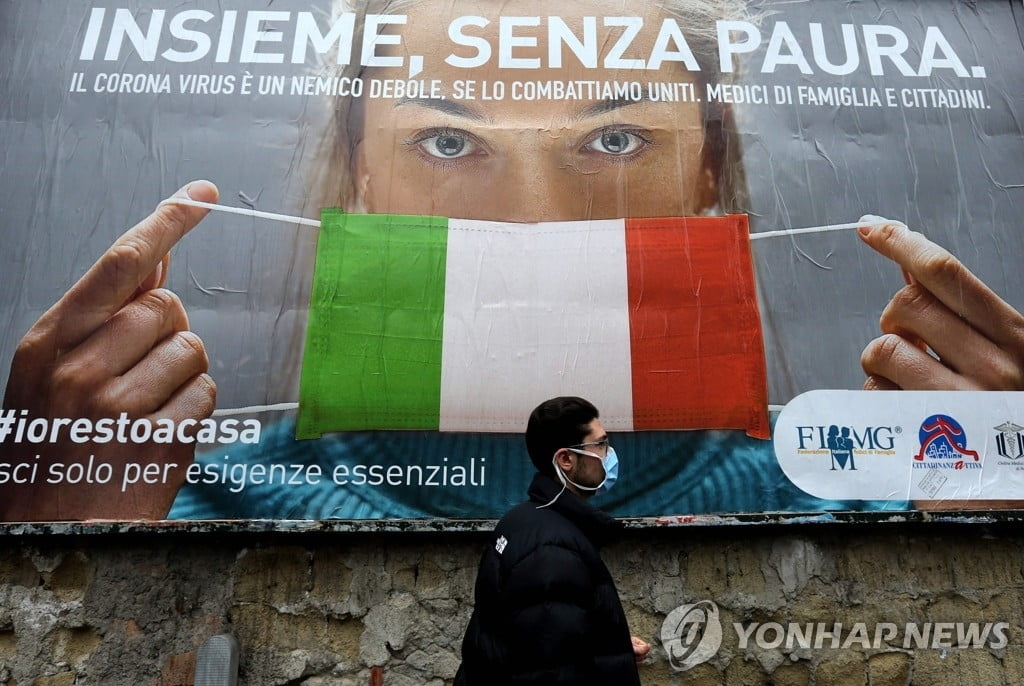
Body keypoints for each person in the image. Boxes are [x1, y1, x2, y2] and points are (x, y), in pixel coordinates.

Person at [1, 0, 1022, 520]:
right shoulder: (172, 505)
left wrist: (996, 533)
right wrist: (54, 538)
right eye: (449, 142)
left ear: (709, 172)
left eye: (613, 141)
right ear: (361, 174)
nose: (534, 221)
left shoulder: (883, 502)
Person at [454, 396, 649, 686]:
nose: (609, 455)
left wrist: (611, 647)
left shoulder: (526, 520)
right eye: (600, 444)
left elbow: (544, 641)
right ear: (566, 460)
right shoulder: (551, 551)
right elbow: (549, 673)